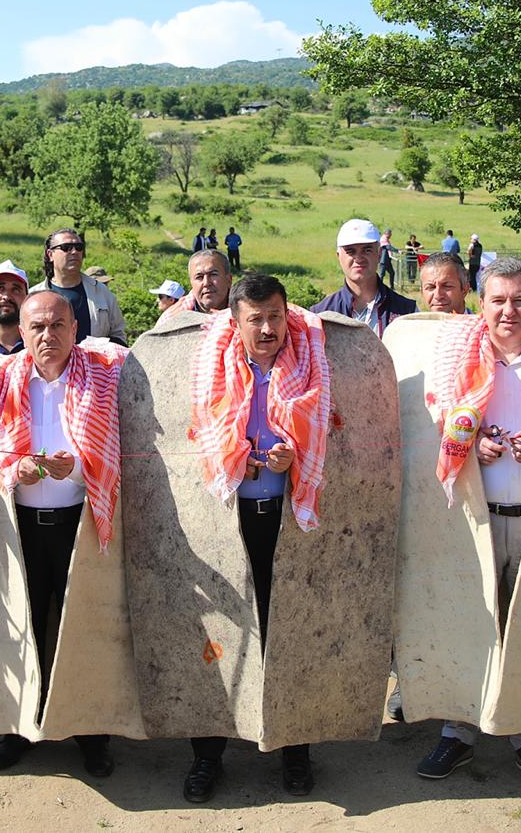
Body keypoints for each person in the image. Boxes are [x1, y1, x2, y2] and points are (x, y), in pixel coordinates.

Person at [415, 258, 521, 796]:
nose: (508, 311)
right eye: (498, 300)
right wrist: (472, 448)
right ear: (480, 303)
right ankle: (458, 731)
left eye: (519, 300)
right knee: (471, 620)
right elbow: (440, 422)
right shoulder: (456, 357)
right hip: (473, 518)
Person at [184, 273, 330, 803]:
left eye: (275, 317)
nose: (267, 329)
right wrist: (233, 460)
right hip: (226, 519)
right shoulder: (213, 366)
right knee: (220, 636)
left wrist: (294, 458)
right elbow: (199, 433)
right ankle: (207, 757)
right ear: (236, 321)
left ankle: (295, 752)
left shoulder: (308, 364)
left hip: (285, 518)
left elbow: (323, 431)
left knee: (287, 631)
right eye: (255, 319)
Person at [0, 292, 126, 778]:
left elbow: (117, 450)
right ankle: (20, 727)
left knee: (84, 628)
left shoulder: (104, 376)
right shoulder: (2, 378)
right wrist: (16, 467)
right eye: (38, 327)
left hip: (80, 524)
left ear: (74, 326)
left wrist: (76, 468)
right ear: (21, 332)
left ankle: (92, 734)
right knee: (23, 625)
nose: (48, 336)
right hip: (21, 524)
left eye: (58, 325)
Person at [313, 219, 416, 338]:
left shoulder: (408, 312)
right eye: (350, 251)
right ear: (338, 256)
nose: (359, 258)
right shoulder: (319, 316)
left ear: (379, 254)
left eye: (367, 250)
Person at [29, 229, 127, 346]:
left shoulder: (101, 292)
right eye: (66, 247)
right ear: (50, 255)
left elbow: (119, 335)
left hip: (94, 363)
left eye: (79, 247)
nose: (74, 252)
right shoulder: (33, 297)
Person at [156, 250, 234, 326]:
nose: (206, 283)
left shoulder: (244, 313)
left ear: (229, 280)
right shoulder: (170, 320)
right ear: (191, 283)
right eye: (199, 277)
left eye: (213, 274)